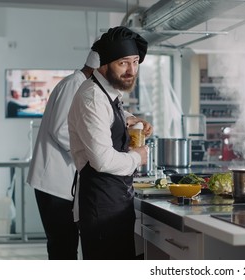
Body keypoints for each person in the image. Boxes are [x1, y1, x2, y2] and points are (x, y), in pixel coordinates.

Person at [68, 26, 152, 260]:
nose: (131, 70)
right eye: (123, 63)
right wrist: (139, 156)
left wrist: (129, 119)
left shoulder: (108, 93)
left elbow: (107, 117)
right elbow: (102, 160)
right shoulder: (92, 97)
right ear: (103, 65)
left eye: (135, 62)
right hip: (101, 208)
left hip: (114, 202)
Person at [26, 50, 100, 259]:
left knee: (65, 245)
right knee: (62, 246)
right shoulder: (73, 85)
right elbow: (60, 129)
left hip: (62, 183)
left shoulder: (80, 85)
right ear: (97, 69)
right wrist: (92, 154)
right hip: (53, 184)